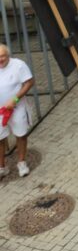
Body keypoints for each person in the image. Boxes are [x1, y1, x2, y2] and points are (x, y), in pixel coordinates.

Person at [0, 44, 34, 178]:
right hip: (0, 111)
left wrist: (15, 99)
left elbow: (30, 82)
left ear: (8, 55)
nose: (0, 60)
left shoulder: (18, 65)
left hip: (17, 107)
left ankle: (22, 163)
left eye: (2, 56)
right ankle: (1, 167)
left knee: (21, 135)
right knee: (0, 138)